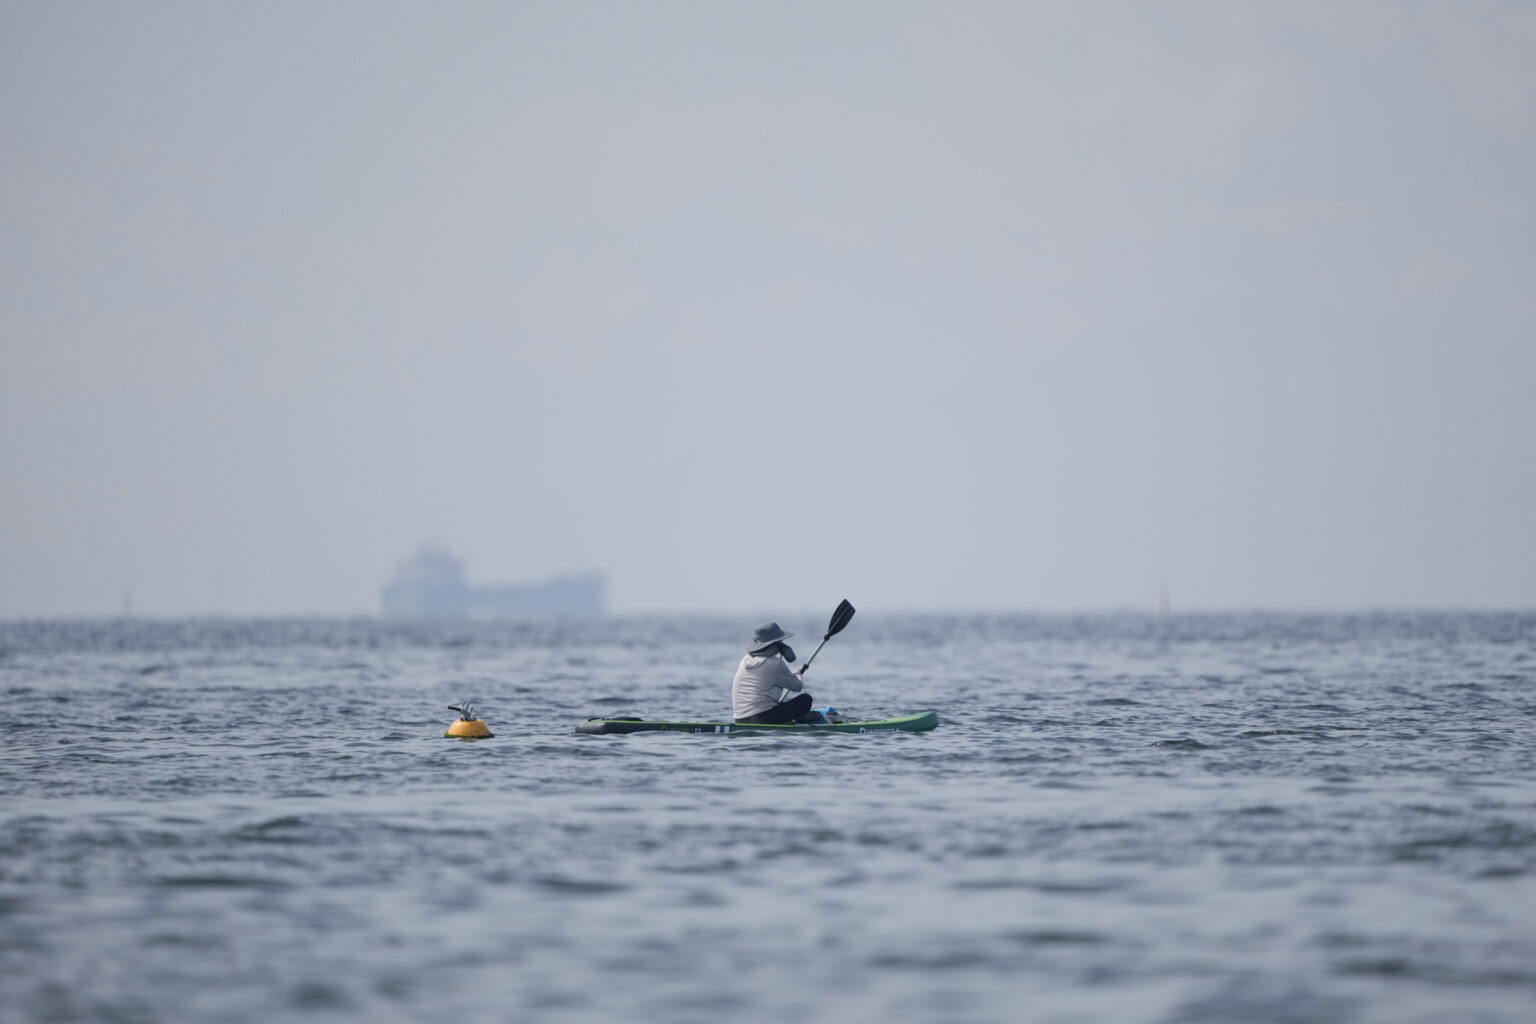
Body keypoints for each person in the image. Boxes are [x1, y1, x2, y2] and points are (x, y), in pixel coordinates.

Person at [732, 621, 820, 724]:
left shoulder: (745, 659)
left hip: (739, 719)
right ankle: (797, 722)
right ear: (777, 643)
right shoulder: (774, 664)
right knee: (805, 700)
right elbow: (798, 686)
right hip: (763, 718)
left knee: (778, 704)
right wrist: (798, 675)